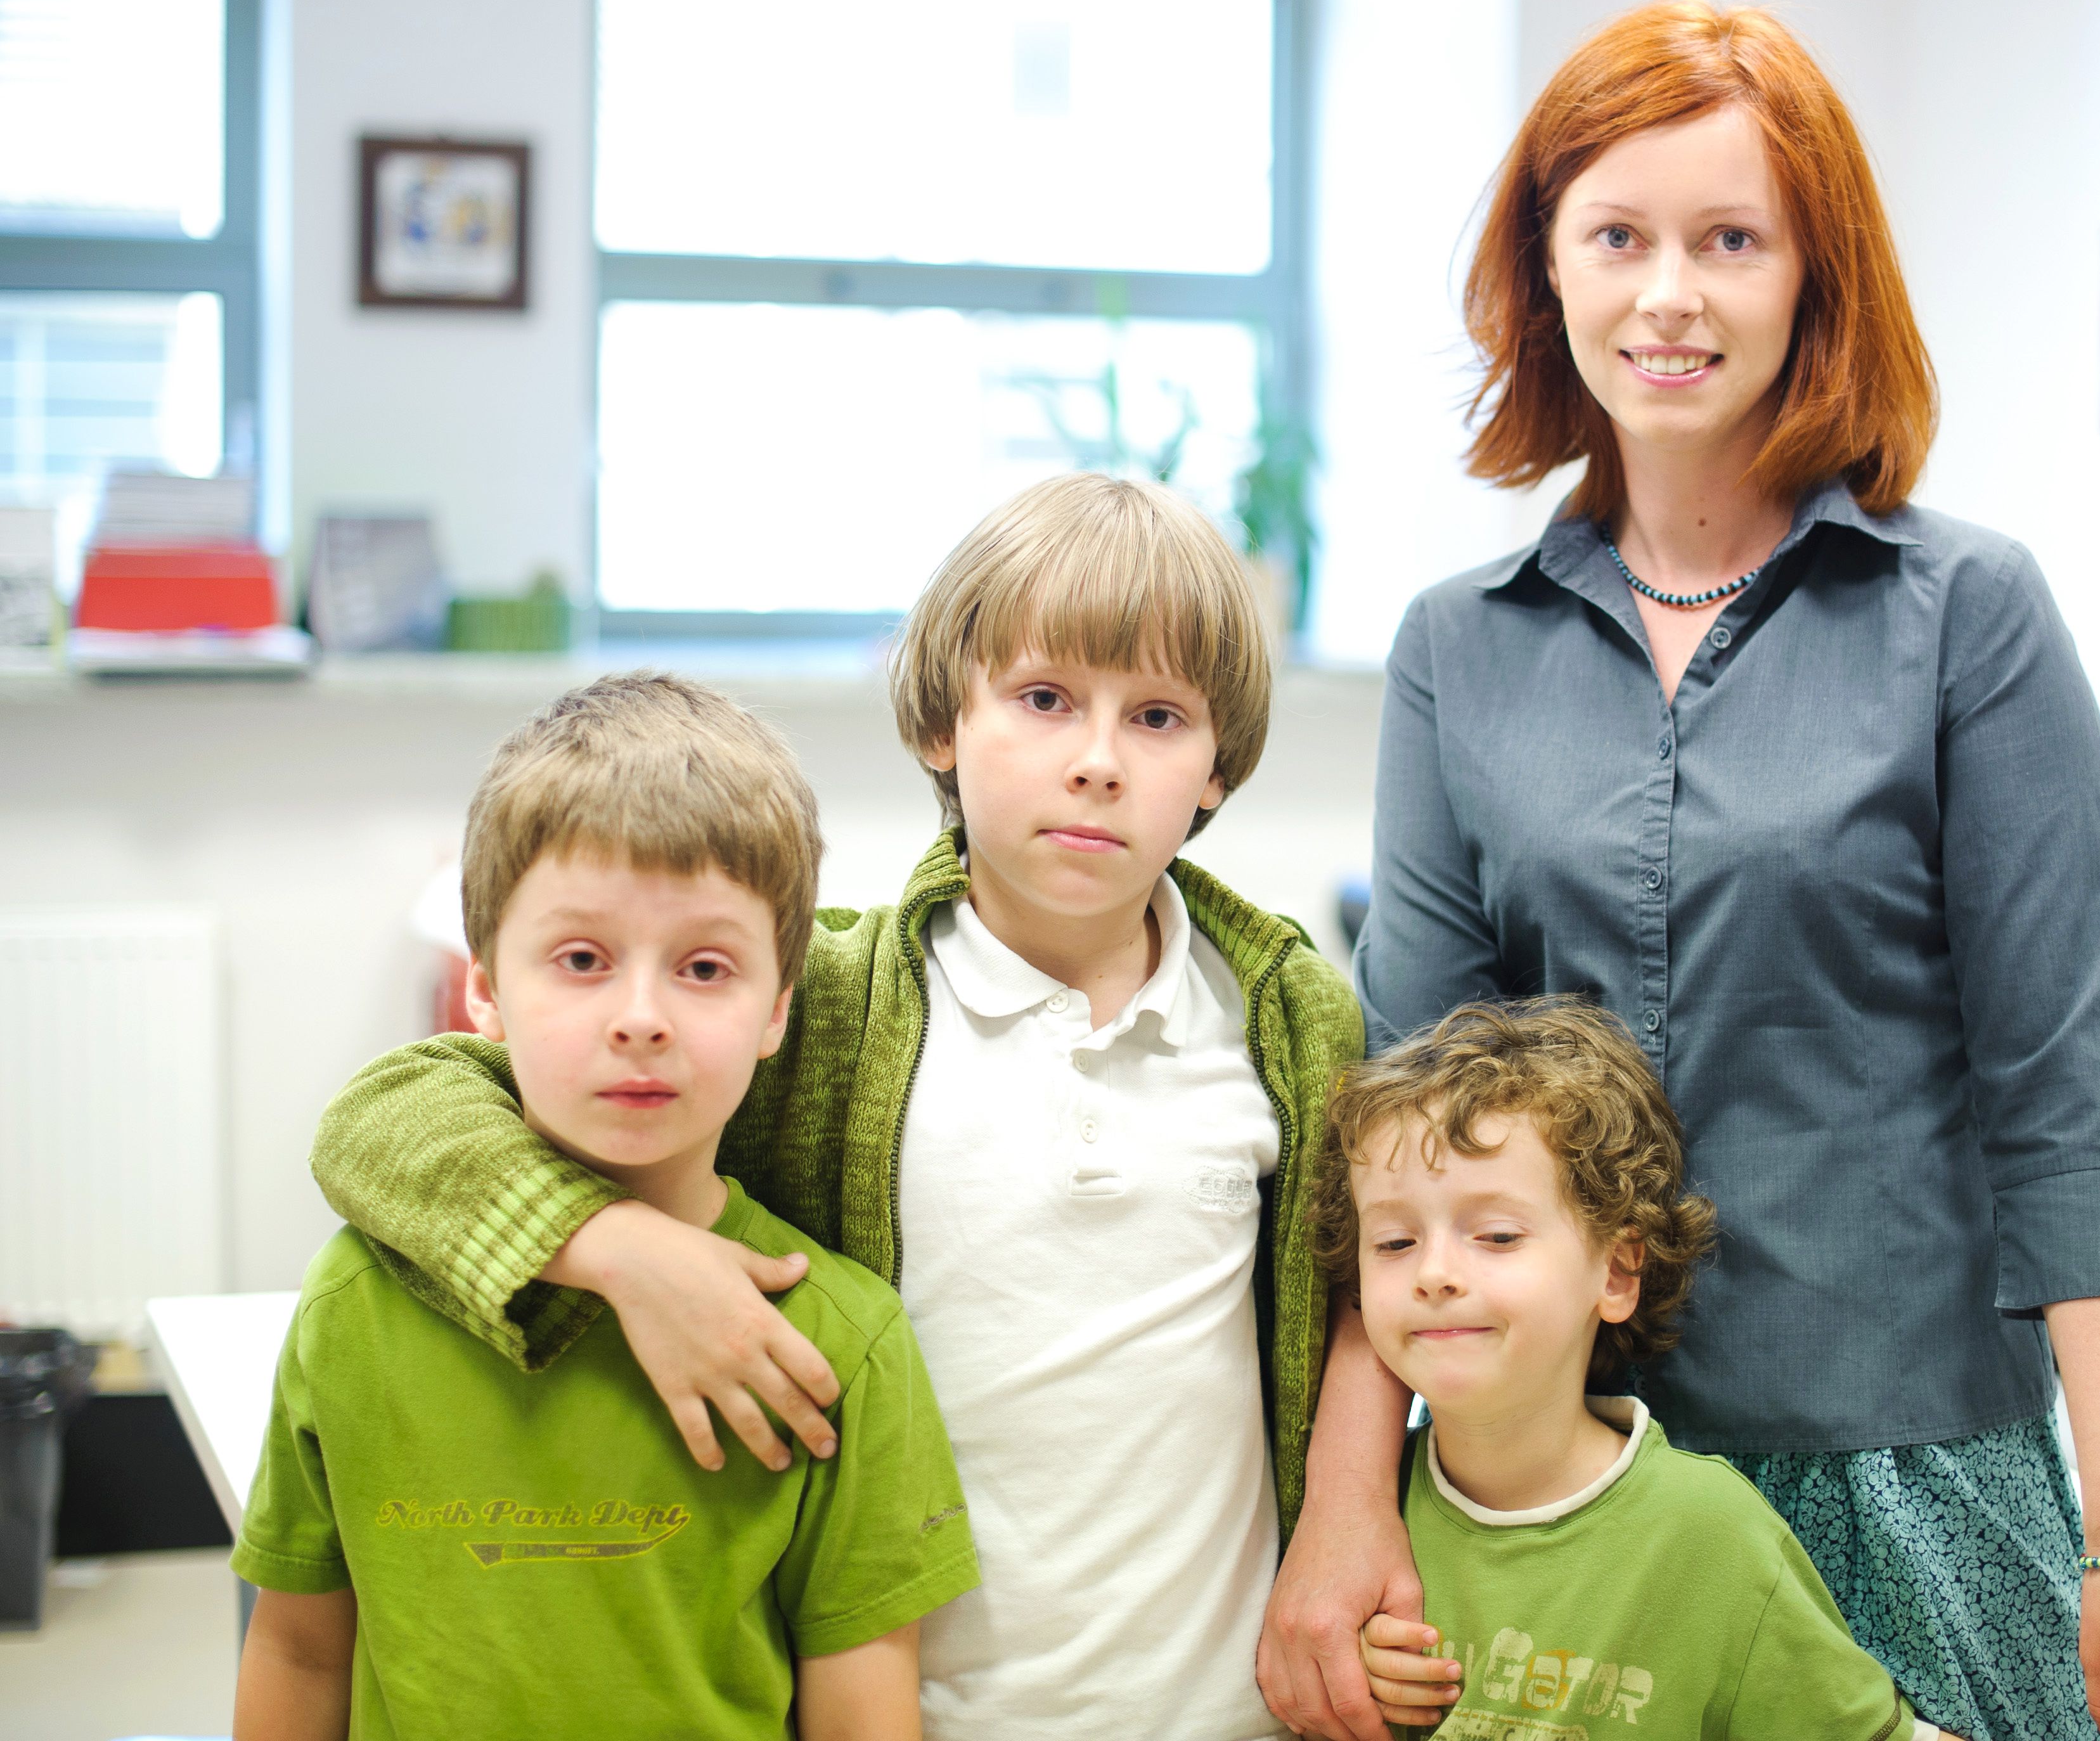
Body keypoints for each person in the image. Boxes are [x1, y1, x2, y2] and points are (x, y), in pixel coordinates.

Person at [1331, 0, 2100, 1741]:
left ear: (1815, 274)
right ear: (1547, 270)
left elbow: (2070, 1089)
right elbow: (1401, 1124)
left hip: (1910, 1467)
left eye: (1731, 240)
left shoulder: (1967, 614)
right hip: (1560, 1476)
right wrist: (1346, 1502)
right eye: (1617, 236)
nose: (1668, 294)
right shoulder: (1460, 646)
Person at [306, 475, 1377, 1740]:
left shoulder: (1289, 1018)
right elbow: (381, 1119)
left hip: (1229, 1713)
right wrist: (621, 1248)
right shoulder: (823, 1004)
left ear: (1215, 766)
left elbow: (1358, 1297)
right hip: (910, 1711)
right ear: (941, 724)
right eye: (1043, 699)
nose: (1096, 762)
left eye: (1157, 717)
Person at [230, 671, 977, 1740]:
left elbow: (861, 1706)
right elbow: (300, 1651)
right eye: (581, 959)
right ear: (483, 989)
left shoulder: (837, 1344)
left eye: (704, 967)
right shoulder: (356, 1301)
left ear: (777, 1010)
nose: (641, 1018)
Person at [1316, 999, 1943, 1741]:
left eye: (1497, 1235)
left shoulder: (1711, 1535)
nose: (1433, 1274)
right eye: (1394, 1243)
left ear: (1616, 1271)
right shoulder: (1350, 1528)